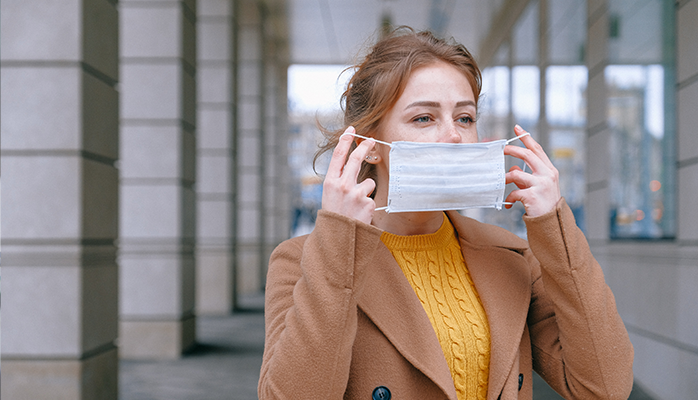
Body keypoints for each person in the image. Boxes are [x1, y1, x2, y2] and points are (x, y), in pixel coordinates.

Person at [258, 28, 633, 400]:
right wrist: (339, 242)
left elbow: (604, 387)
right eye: (424, 118)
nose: (453, 136)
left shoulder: (511, 257)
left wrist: (555, 227)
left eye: (465, 118)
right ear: (369, 145)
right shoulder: (302, 260)